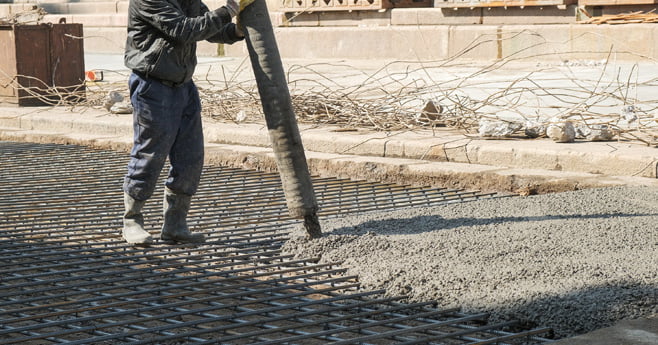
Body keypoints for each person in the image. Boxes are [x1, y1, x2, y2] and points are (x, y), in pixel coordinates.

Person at [121, 0, 250, 245]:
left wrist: (236, 31)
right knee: (150, 154)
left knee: (190, 157)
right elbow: (185, 30)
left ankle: (175, 224)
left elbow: (208, 28)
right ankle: (132, 220)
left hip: (183, 86)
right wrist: (229, 10)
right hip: (152, 85)